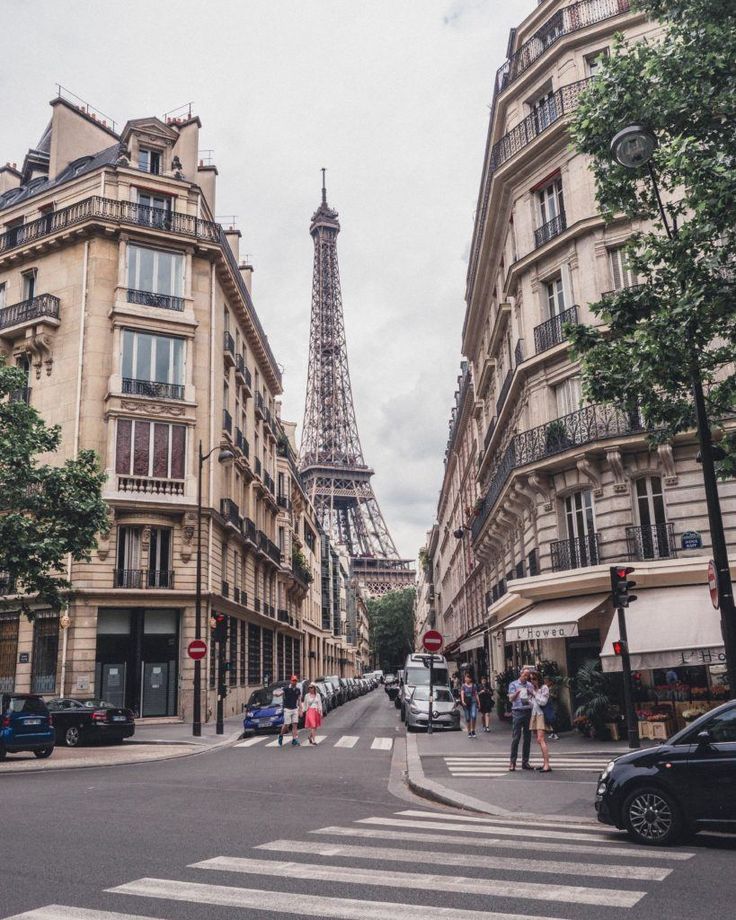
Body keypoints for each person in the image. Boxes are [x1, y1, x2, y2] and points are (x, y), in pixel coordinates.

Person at [508, 667, 534, 770]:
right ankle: (512, 762)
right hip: (517, 711)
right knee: (516, 737)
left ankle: (525, 762)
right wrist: (517, 692)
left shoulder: (530, 685)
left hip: (528, 711)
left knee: (527, 738)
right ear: (521, 674)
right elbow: (511, 699)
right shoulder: (513, 684)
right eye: (525, 675)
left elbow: (534, 697)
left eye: (528, 675)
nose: (526, 677)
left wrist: (530, 692)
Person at [529, 671, 551, 772]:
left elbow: (543, 702)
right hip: (535, 714)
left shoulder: (544, 688)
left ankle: (547, 764)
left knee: (540, 739)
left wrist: (534, 693)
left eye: (534, 679)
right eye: (531, 679)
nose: (533, 681)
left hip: (541, 715)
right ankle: (544, 763)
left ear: (538, 678)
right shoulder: (534, 689)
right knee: (539, 740)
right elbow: (533, 704)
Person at [278, 674, 302, 747]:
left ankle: (294, 739)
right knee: (287, 725)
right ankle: (281, 735)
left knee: (295, 725)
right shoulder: (286, 689)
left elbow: (299, 700)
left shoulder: (298, 690)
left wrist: (300, 710)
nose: (294, 682)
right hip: (287, 709)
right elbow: (280, 693)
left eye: (295, 681)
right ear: (291, 681)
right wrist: (277, 694)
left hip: (294, 709)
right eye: (293, 681)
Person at [460, 673, 480, 738]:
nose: (466, 679)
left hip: (473, 702)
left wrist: (478, 702)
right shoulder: (463, 686)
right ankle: (469, 731)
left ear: (470, 679)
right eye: (466, 678)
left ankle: (473, 730)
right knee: (468, 718)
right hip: (466, 703)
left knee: (474, 716)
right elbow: (462, 693)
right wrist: (462, 701)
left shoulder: (474, 686)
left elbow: (476, 694)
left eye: (468, 678)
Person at [543, 676, 559, 740]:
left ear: (551, 682)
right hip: (547, 705)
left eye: (547, 681)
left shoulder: (555, 688)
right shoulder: (544, 688)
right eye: (545, 681)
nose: (546, 682)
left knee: (553, 719)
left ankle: (555, 733)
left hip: (553, 705)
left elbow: (557, 696)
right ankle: (552, 732)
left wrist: (550, 694)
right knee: (548, 719)